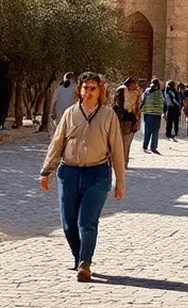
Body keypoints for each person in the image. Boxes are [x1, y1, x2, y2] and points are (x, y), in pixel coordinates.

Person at [38, 72, 126, 283]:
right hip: (69, 173)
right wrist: (46, 171)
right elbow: (57, 143)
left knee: (87, 222)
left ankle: (85, 263)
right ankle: (79, 257)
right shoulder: (70, 114)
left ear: (100, 91)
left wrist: (120, 181)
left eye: (93, 88)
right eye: (86, 88)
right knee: (68, 224)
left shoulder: (108, 116)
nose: (89, 92)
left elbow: (117, 149)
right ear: (80, 90)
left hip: (97, 174)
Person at [112, 77, 141, 166]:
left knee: (126, 143)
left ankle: (124, 162)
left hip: (130, 120)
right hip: (122, 119)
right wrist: (129, 114)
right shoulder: (122, 90)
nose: (134, 86)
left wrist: (135, 118)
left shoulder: (136, 92)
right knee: (120, 142)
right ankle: (120, 162)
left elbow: (137, 105)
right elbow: (119, 105)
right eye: (133, 84)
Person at [140, 78, 165, 154]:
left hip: (147, 113)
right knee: (155, 132)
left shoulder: (146, 91)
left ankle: (145, 146)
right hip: (157, 114)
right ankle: (153, 147)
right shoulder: (159, 93)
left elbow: (143, 101)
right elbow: (162, 103)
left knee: (147, 130)